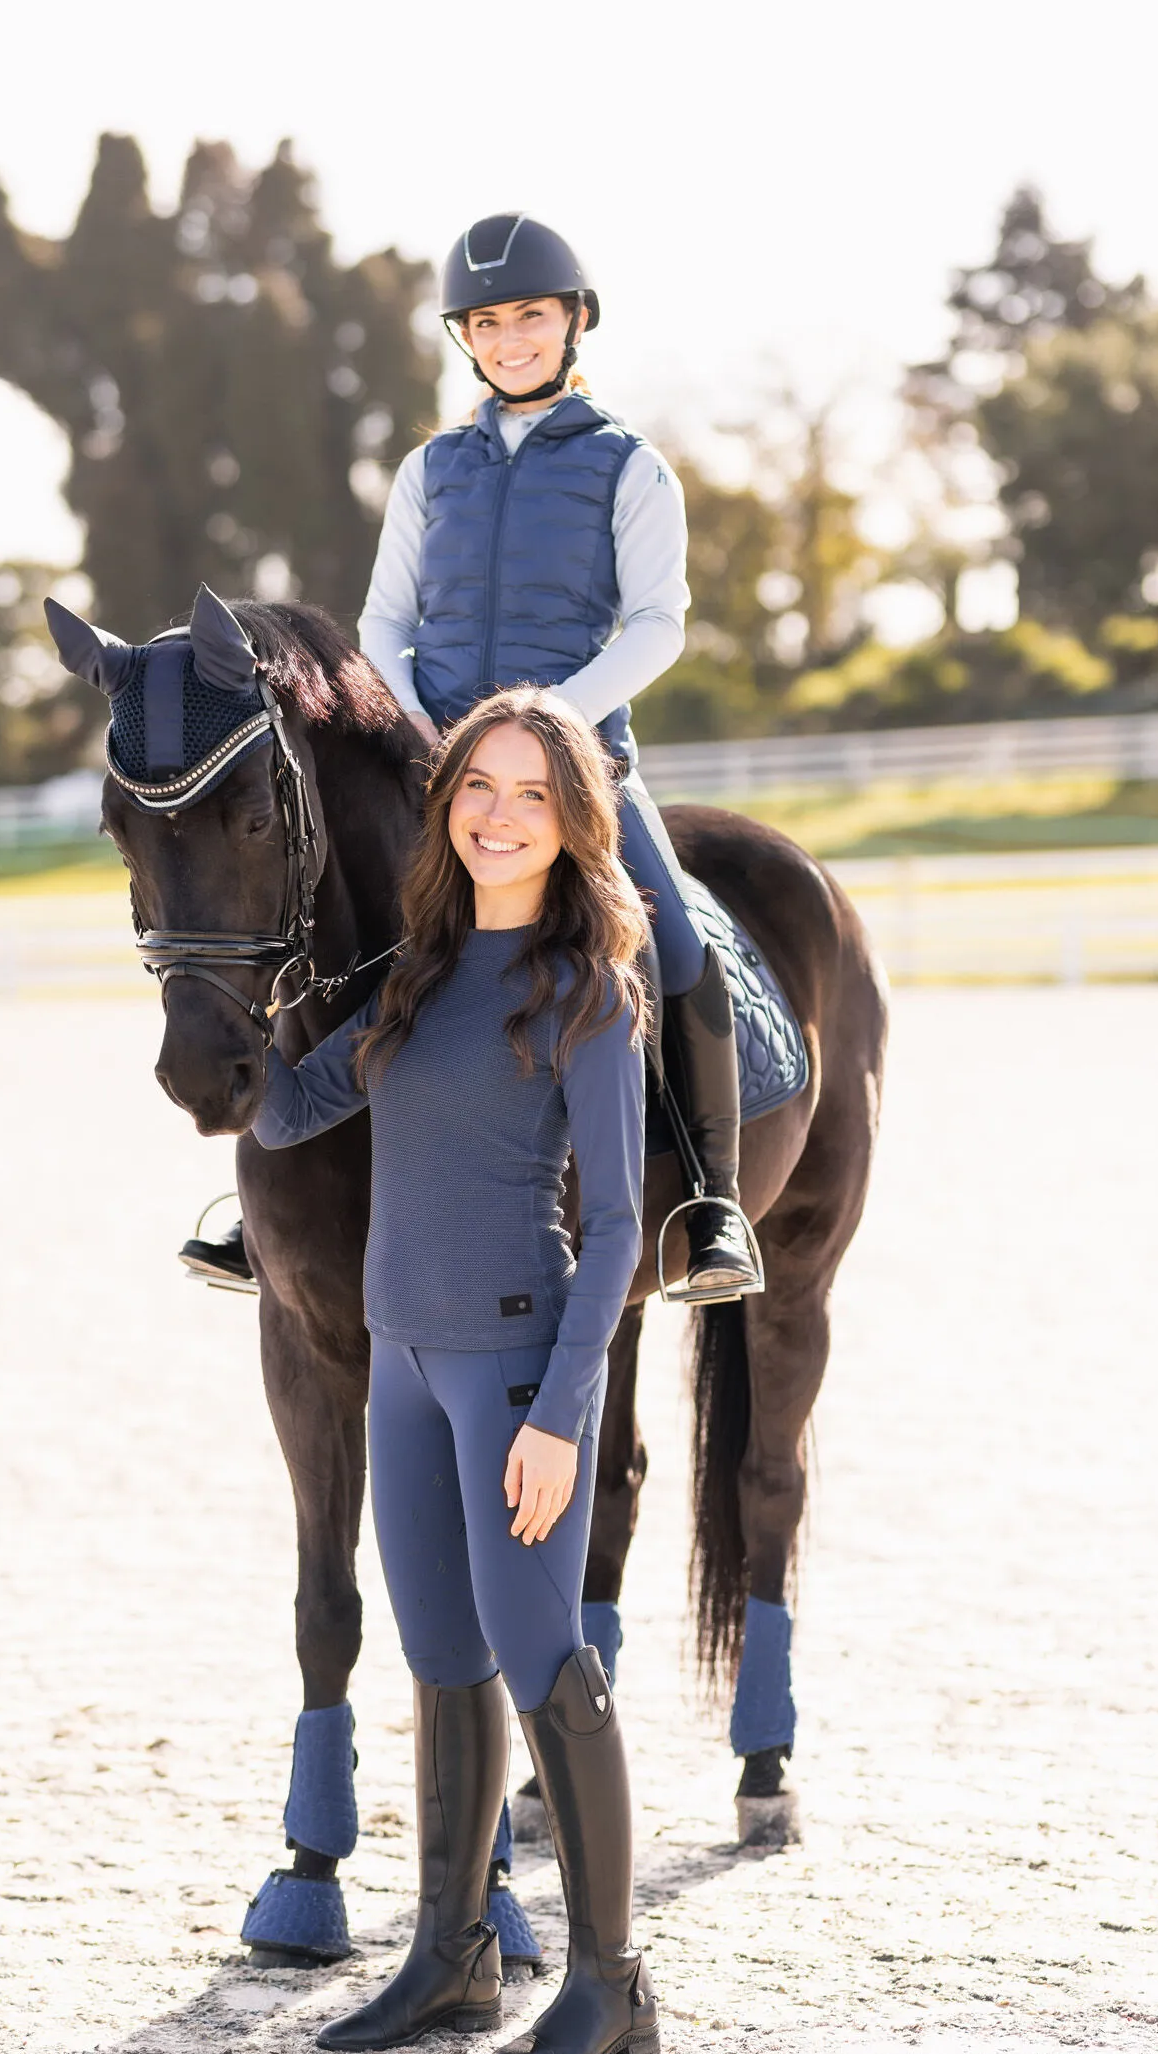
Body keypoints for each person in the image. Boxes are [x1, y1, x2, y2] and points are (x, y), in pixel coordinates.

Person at [180, 210, 762, 1304]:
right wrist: (426, 736)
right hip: (430, 761)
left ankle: (713, 1198)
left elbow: (658, 626)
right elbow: (383, 617)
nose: (508, 339)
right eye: (486, 322)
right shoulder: (429, 469)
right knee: (321, 933)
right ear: (467, 338)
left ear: (573, 321)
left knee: (680, 947)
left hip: (579, 767)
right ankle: (268, 1203)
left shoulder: (630, 466)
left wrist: (547, 724)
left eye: (529, 317)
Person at [251, 685, 660, 2054]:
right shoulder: (414, 974)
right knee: (440, 1656)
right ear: (447, 804)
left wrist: (559, 1412)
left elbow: (612, 1229)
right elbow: (293, 1106)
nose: (496, 813)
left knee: (545, 1653)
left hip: (512, 1364)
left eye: (530, 793)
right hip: (402, 1363)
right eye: (476, 786)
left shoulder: (589, 984)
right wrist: (229, 1014)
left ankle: (613, 1983)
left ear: (570, 819)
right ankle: (451, 1953)